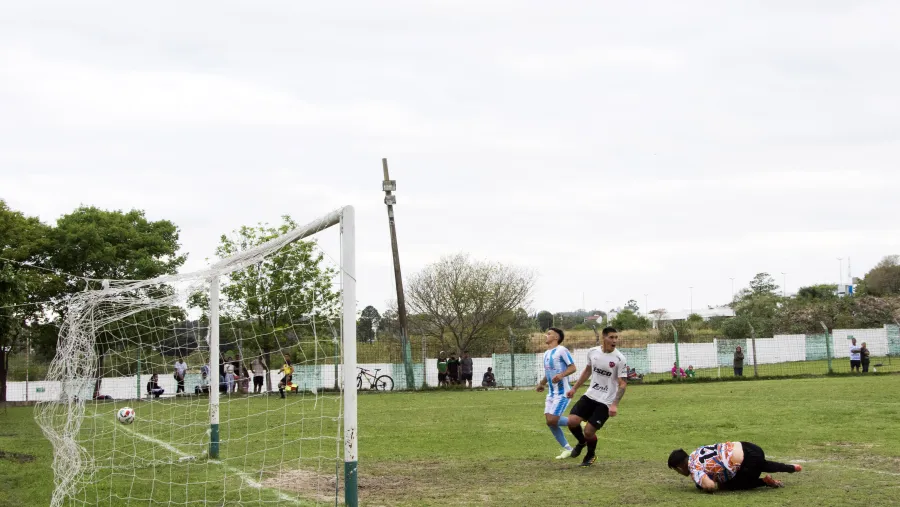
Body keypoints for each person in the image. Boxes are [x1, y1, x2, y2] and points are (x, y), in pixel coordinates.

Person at [565, 326, 627, 467]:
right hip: (590, 395)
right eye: (611, 337)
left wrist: (614, 404)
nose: (614, 340)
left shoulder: (620, 358)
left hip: (606, 401)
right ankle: (581, 442)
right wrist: (574, 388)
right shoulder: (593, 352)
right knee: (572, 421)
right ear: (603, 337)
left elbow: (623, 384)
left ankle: (590, 454)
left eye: (616, 337)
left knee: (588, 431)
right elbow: (587, 371)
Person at [668, 441, 802, 492]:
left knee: (726, 486)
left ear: (680, 466)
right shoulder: (697, 451)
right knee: (762, 464)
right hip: (751, 447)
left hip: (748, 463)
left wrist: (705, 485)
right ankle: (791, 467)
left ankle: (764, 482)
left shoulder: (694, 468)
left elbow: (710, 486)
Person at [536, 327, 577, 459]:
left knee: (553, 419)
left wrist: (561, 375)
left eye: (549, 334)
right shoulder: (546, 353)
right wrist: (542, 383)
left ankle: (578, 421)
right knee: (550, 422)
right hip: (551, 393)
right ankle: (568, 449)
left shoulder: (562, 350)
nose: (546, 336)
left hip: (562, 393)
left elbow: (573, 367)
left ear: (556, 337)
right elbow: (549, 373)